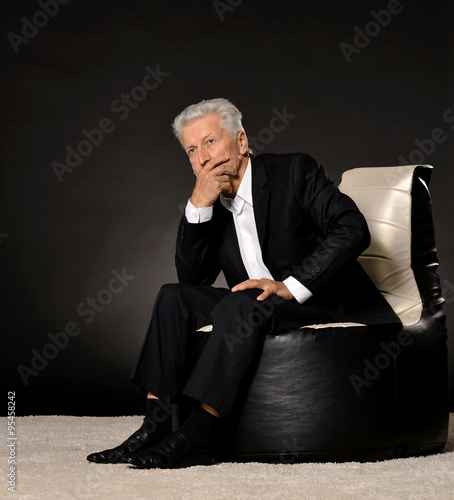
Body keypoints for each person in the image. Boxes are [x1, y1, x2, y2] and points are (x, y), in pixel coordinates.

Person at [87, 98, 401, 469]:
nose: (202, 158)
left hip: (322, 298)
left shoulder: (294, 171)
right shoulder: (213, 201)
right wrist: (198, 207)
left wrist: (292, 283)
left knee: (242, 302)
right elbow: (193, 279)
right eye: (191, 150)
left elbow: (352, 228)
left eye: (209, 142)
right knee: (173, 298)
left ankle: (196, 434)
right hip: (259, 306)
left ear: (241, 142)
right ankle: (154, 426)